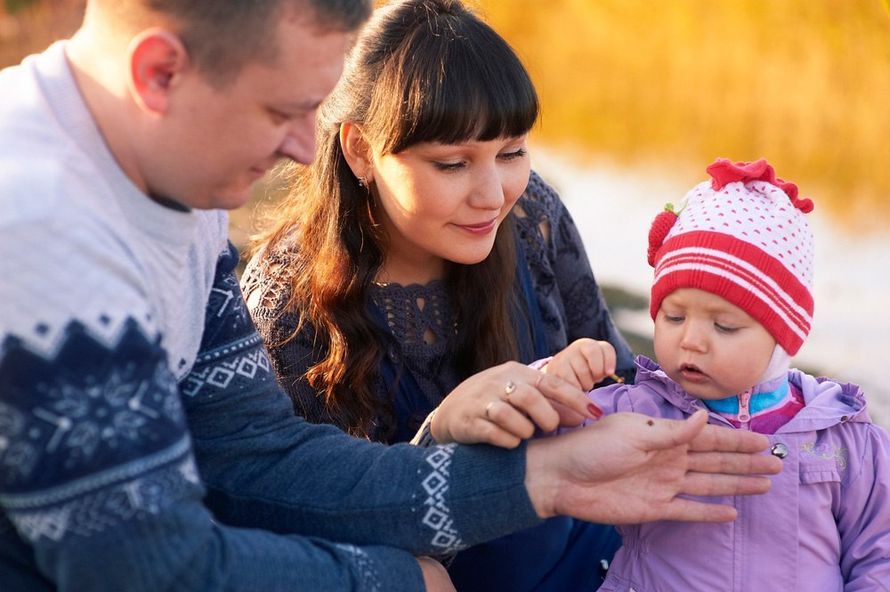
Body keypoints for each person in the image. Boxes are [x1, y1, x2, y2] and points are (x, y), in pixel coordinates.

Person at [0, 0, 783, 589]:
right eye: (281, 111)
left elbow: (252, 457)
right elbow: (145, 566)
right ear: (158, 72)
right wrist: (394, 579)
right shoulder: (39, 225)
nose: (304, 148)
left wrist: (552, 476)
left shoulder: (181, 199)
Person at [241, 1, 632, 588]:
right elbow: (311, 525)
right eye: (452, 163)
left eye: (512, 152)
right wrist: (440, 434)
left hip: (598, 554)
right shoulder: (286, 302)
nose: (493, 194)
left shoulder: (532, 218)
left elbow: (623, 379)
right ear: (360, 151)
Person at [546, 158, 890, 590]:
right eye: (673, 317)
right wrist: (555, 380)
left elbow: (880, 551)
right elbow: (536, 440)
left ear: (784, 335)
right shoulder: (640, 412)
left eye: (724, 326)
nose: (691, 340)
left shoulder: (842, 439)